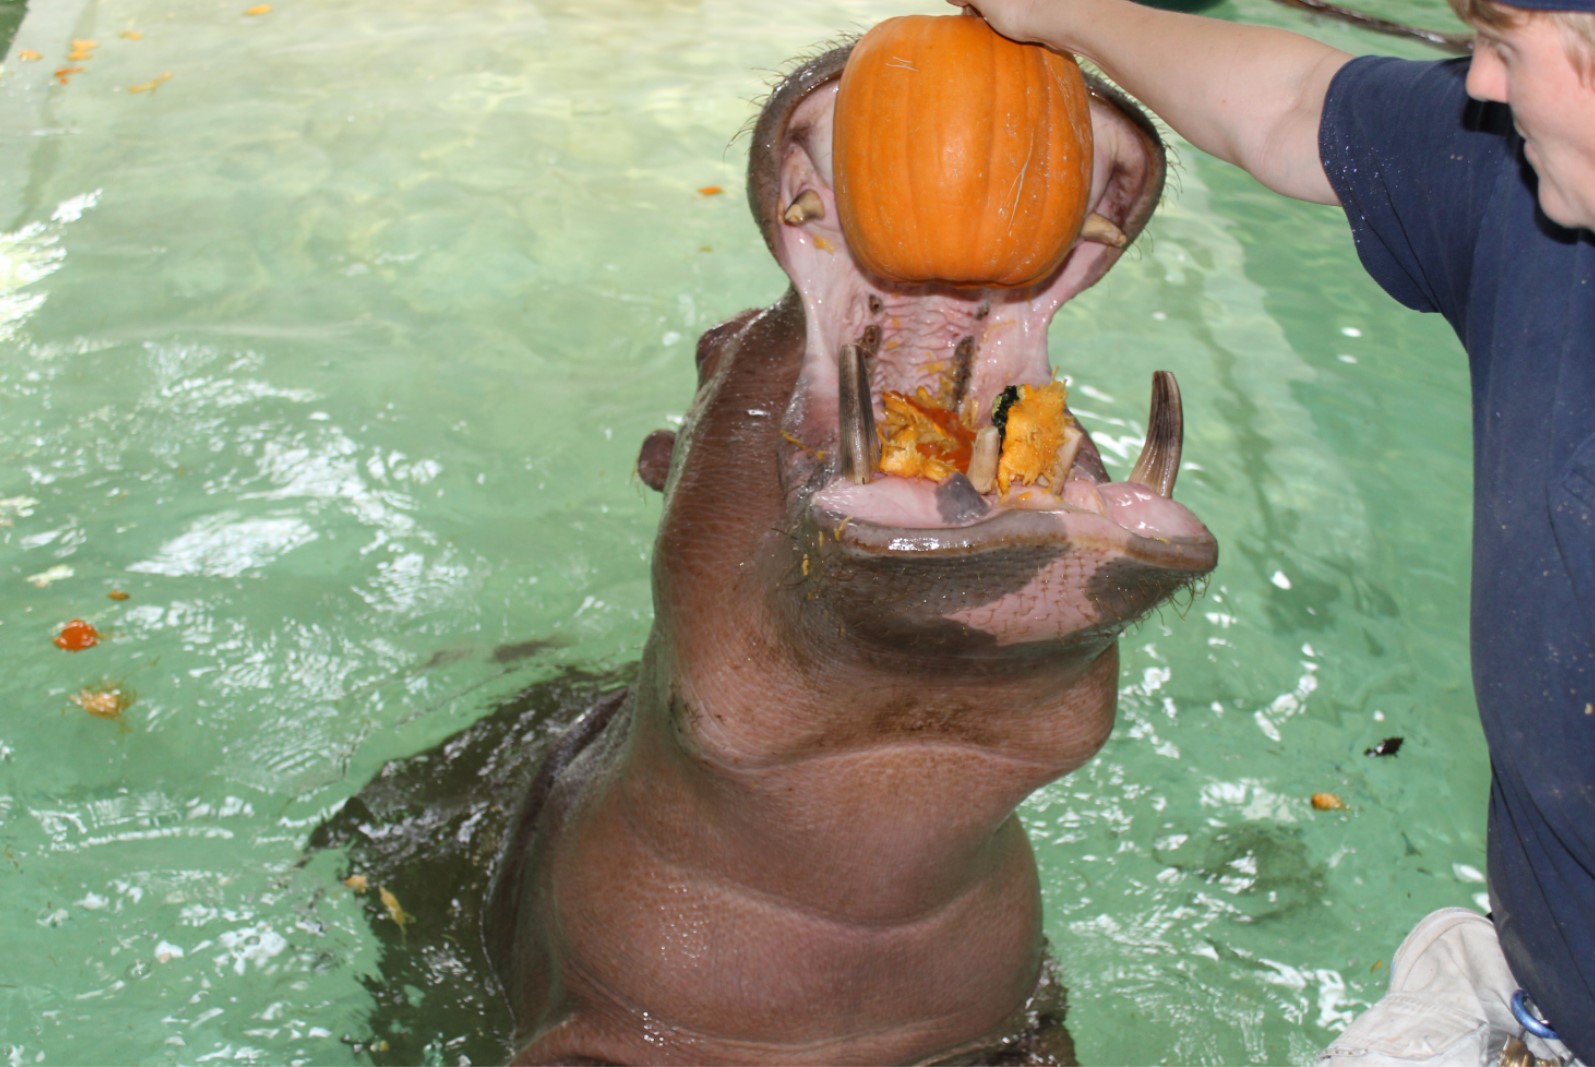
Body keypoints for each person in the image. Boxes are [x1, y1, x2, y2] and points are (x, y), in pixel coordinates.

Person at [943, 0, 1595, 1062]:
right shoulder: (1522, 193)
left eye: (1505, 48)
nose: (1475, 83)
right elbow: (1292, 104)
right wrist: (1056, 11)